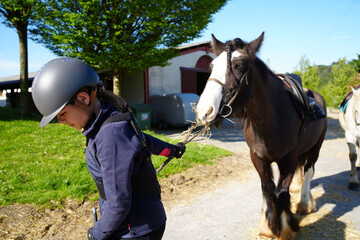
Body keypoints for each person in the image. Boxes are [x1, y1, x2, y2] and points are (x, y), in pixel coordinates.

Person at [31, 57, 186, 240]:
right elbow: (143, 141)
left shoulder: (110, 134)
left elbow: (119, 203)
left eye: (62, 113)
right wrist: (172, 150)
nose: (61, 121)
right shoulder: (111, 117)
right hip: (143, 221)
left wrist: (96, 234)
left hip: (135, 230)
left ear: (83, 98)